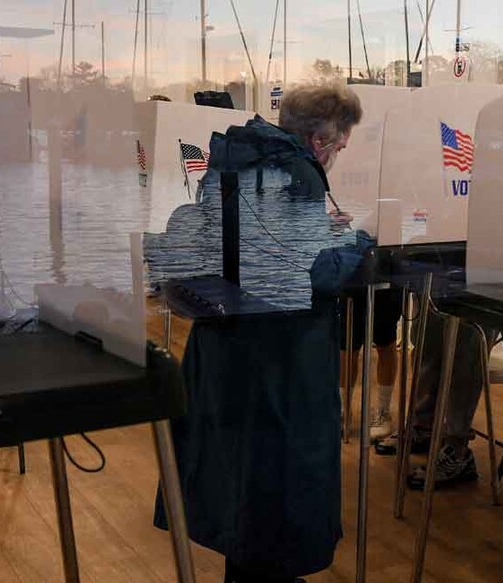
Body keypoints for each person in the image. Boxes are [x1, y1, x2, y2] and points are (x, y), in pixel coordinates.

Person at [150, 83, 365, 583]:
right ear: (321, 140)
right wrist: (358, 242)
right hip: (279, 359)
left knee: (242, 495)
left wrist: (318, 231)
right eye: (340, 144)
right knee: (277, 500)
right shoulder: (295, 174)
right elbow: (315, 274)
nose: (339, 153)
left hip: (228, 347)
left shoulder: (237, 157)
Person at [375, 311, 495, 490]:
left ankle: (457, 450)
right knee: (427, 333)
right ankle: (423, 427)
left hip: (487, 290)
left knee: (467, 341)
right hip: (441, 287)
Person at [340, 287, 403, 440]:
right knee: (347, 345)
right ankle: (343, 410)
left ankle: (383, 411)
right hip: (351, 274)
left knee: (386, 342)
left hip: (387, 277)